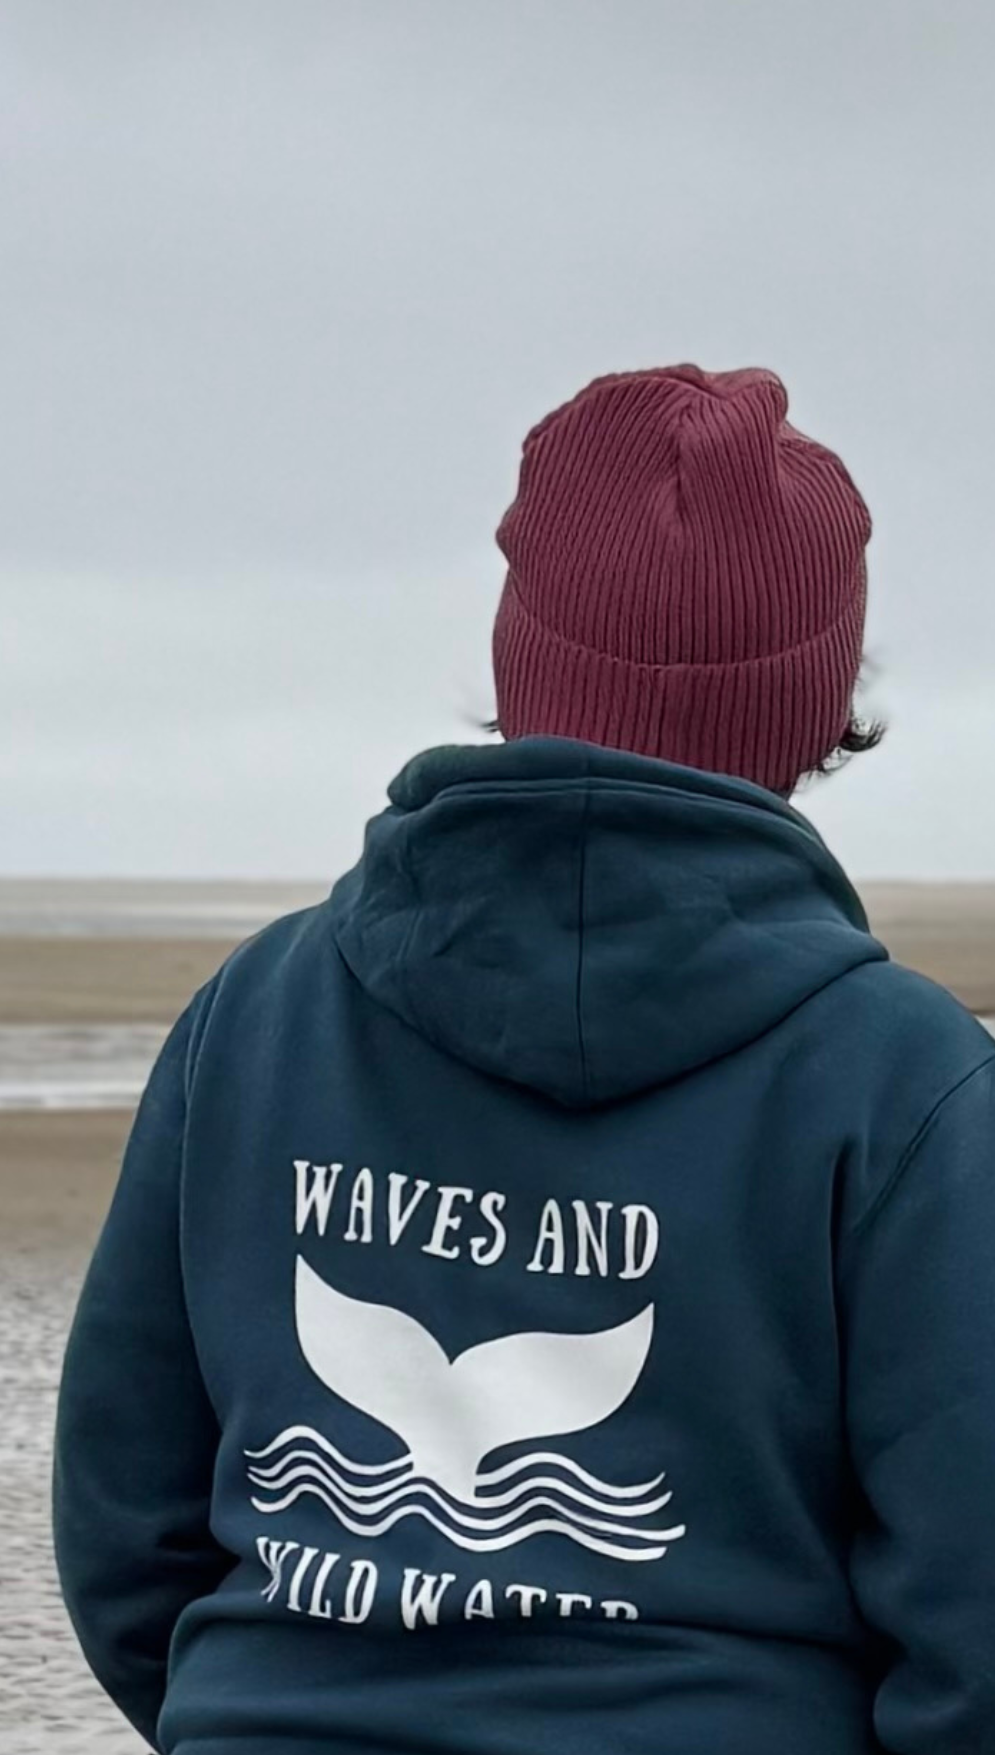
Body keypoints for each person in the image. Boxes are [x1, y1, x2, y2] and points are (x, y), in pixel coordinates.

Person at [52, 364, 995, 1754]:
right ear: (817, 708)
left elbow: (127, 1533)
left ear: (516, 659)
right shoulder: (907, 1081)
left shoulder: (255, 1013)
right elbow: (974, 1613)